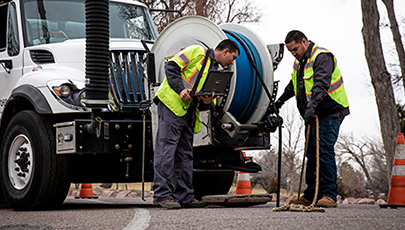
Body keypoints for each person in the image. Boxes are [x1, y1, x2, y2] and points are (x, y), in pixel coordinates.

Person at [152, 39, 240, 209]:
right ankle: (162, 195)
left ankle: (185, 197)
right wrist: (180, 90)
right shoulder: (197, 52)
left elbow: (205, 102)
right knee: (166, 152)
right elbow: (171, 67)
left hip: (188, 112)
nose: (232, 62)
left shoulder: (214, 71)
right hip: (171, 105)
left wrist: (207, 101)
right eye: (233, 57)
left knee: (185, 155)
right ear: (226, 51)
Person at [275, 30, 349, 208]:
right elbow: (294, 85)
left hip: (330, 111)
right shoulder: (299, 62)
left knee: (323, 151)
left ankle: (329, 194)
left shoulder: (321, 56)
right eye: (291, 51)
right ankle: (310, 194)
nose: (294, 53)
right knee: (311, 153)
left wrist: (311, 106)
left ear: (304, 41)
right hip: (313, 113)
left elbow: (321, 84)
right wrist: (279, 101)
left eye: (295, 49)